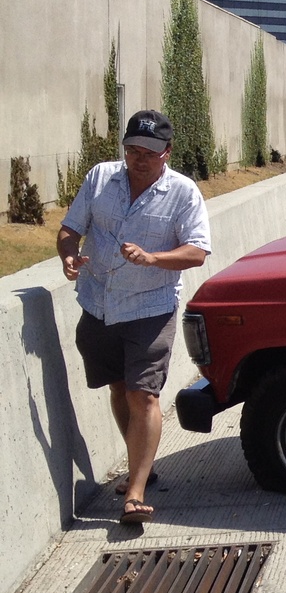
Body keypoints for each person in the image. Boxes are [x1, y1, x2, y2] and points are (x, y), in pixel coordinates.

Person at [56, 110, 211, 525]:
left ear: (167, 152)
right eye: (132, 150)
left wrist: (152, 257)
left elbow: (196, 251)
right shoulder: (101, 178)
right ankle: (140, 464)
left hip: (150, 306)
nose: (138, 159)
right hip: (98, 303)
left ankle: (136, 490)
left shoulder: (183, 193)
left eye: (149, 152)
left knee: (144, 394)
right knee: (120, 387)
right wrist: (69, 255)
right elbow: (70, 228)